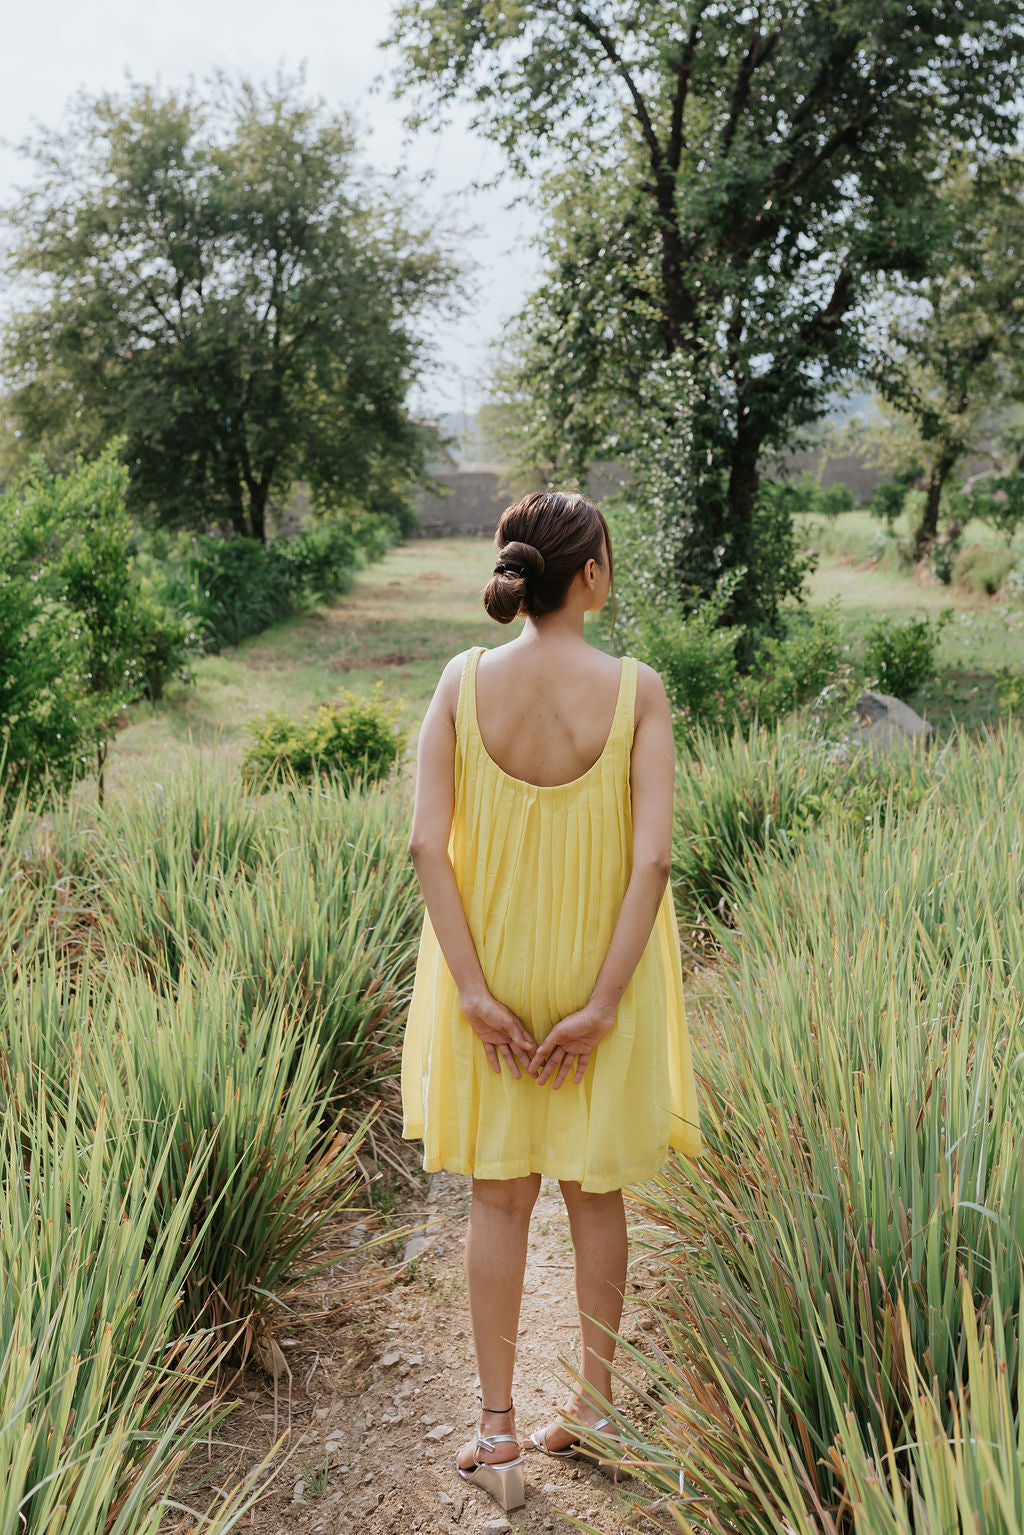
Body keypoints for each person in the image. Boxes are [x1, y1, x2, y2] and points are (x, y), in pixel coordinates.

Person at [402, 490, 702, 1511]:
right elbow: (653, 855)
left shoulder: (459, 678)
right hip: (594, 968)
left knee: (496, 1196)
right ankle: (599, 1404)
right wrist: (606, 1001)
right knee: (594, 1194)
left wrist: (474, 992)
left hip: (488, 970)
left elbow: (423, 845)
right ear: (593, 575)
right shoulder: (636, 689)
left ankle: (495, 1426)